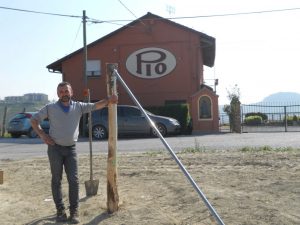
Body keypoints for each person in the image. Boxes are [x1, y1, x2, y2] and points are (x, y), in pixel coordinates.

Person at [31, 81, 118, 224]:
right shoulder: (50, 108)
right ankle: (60, 211)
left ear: (71, 92)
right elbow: (34, 121)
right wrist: (43, 135)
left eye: (66, 91)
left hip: (71, 149)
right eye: (61, 91)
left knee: (74, 181)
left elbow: (95, 106)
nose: (64, 94)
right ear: (58, 93)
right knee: (56, 180)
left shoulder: (78, 107)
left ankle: (74, 212)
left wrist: (109, 100)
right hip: (55, 149)